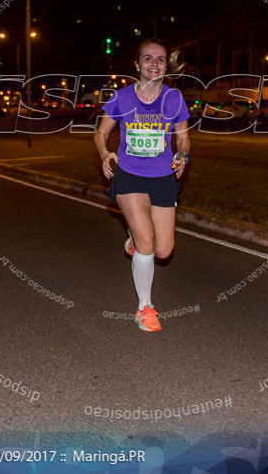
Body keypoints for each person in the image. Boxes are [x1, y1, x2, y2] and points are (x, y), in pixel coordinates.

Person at [94, 39, 190, 332]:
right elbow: (100, 133)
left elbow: (183, 137)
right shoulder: (121, 98)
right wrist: (105, 153)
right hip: (130, 175)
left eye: (160, 59)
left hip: (162, 177)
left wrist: (182, 155)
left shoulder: (173, 98)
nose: (154, 64)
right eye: (148, 59)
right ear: (137, 65)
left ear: (166, 66)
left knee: (163, 251)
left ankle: (135, 240)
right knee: (148, 244)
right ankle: (144, 308)